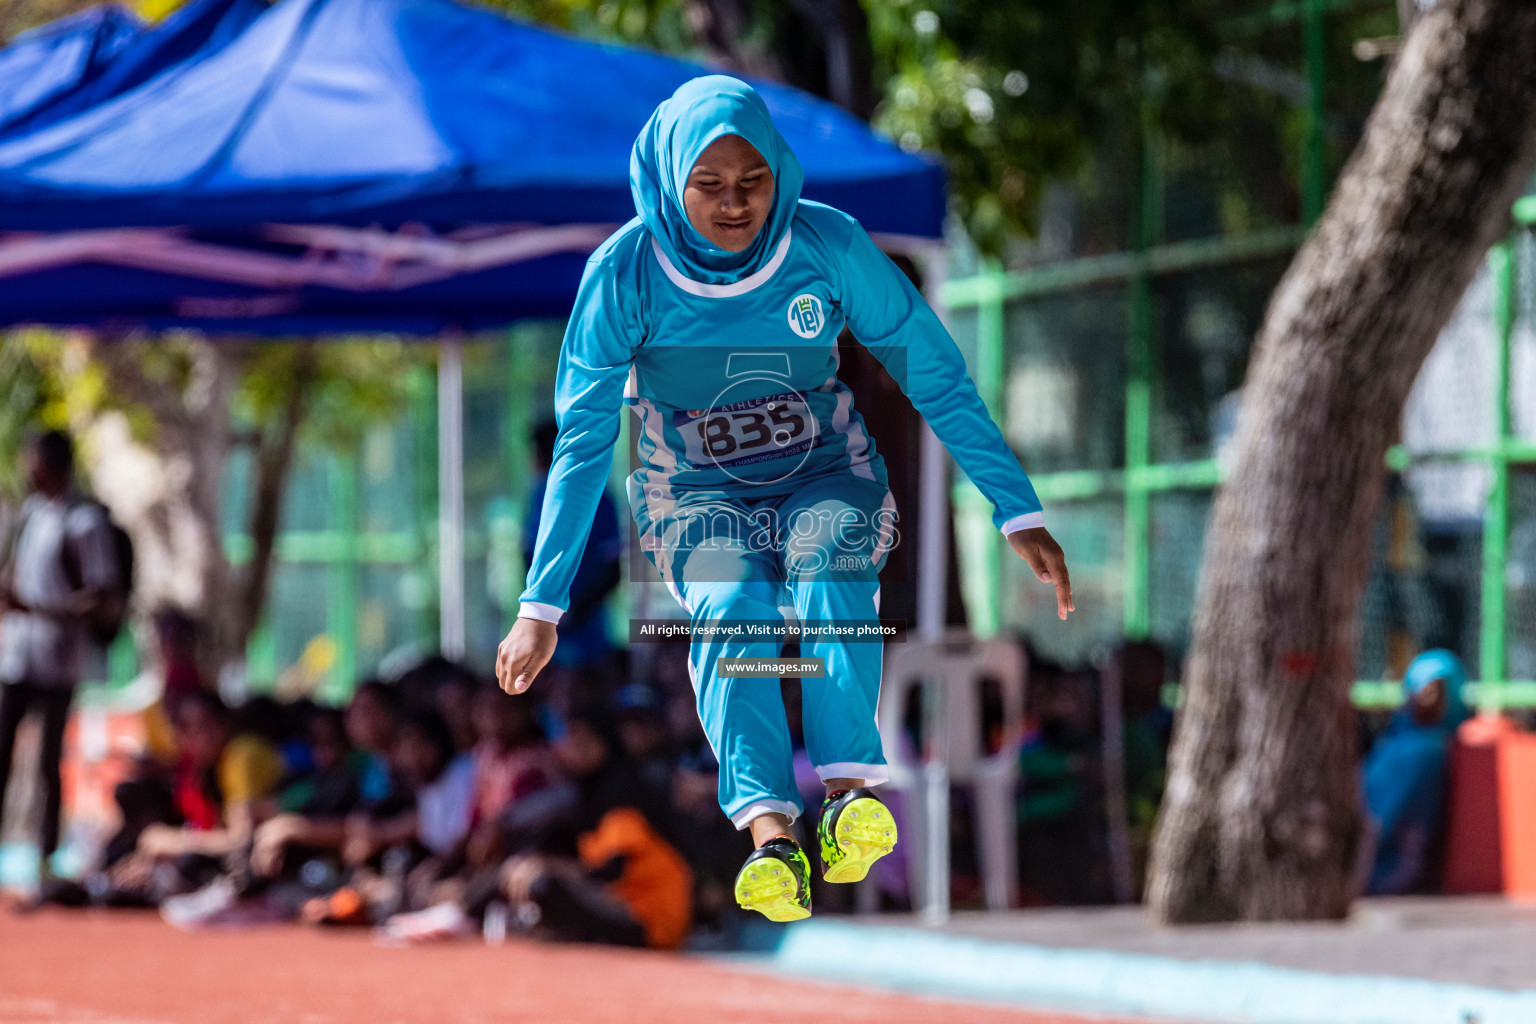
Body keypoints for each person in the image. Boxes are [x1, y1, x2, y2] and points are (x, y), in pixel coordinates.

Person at [496, 76, 1073, 922]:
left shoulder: (826, 245)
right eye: (709, 185)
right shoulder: (623, 275)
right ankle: (771, 835)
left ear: (780, 174)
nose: (734, 204)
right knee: (734, 605)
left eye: (752, 181)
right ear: (668, 180)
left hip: (824, 475)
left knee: (831, 564)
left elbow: (932, 368)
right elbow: (582, 444)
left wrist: (1015, 506)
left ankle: (847, 796)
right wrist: (540, 605)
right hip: (692, 495)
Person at [0, 429, 122, 885]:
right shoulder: (32, 514)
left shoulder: (84, 522)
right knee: (3, 754)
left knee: (49, 764)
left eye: (30, 458)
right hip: (17, 656)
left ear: (48, 463)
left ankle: (46, 860)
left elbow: (103, 598)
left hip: (57, 660)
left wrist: (37, 608)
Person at [524, 420, 623, 717]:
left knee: (591, 711)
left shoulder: (595, 498)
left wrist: (567, 613)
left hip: (586, 635)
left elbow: (611, 571)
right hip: (563, 632)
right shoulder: (543, 497)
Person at [1360, 648, 1469, 896]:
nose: (1429, 696)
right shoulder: (1401, 743)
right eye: (1424, 687)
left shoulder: (1423, 750)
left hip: (1387, 868)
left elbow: (1380, 821)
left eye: (1438, 690)